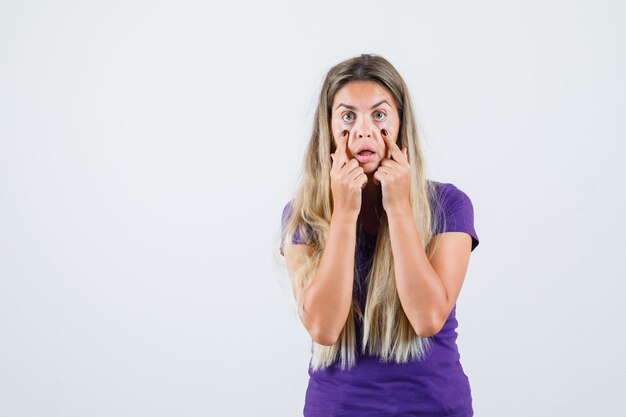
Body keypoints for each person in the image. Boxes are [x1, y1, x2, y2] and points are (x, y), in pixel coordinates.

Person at [277, 53, 480, 416]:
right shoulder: (303, 216)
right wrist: (344, 214)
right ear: (328, 128)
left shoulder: (449, 204)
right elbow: (323, 328)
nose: (364, 131)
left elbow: (428, 317)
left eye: (380, 114)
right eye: (348, 116)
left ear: (402, 125)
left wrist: (399, 208)